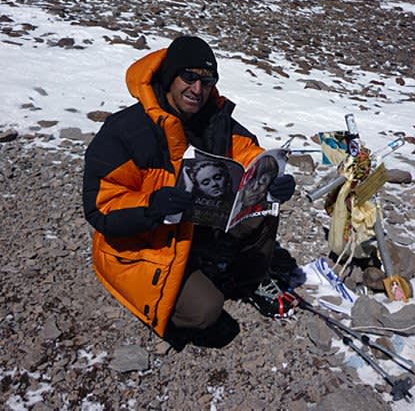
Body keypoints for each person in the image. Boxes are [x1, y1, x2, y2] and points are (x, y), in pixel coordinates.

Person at [83, 35, 296, 350]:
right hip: (146, 243)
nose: (198, 89)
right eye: (190, 77)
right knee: (206, 312)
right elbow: (100, 207)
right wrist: (151, 206)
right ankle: (178, 290)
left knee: (264, 210)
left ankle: (245, 281)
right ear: (170, 77)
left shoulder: (215, 120)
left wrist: (272, 177)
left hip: (193, 229)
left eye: (207, 80)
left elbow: (249, 154)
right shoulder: (124, 131)